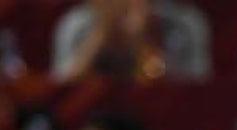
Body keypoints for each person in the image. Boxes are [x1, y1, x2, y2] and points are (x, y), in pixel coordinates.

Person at [51, 0, 211, 82]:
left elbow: (195, 95)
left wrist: (141, 41)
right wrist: (101, 33)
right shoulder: (76, 24)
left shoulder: (185, 24)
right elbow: (60, 90)